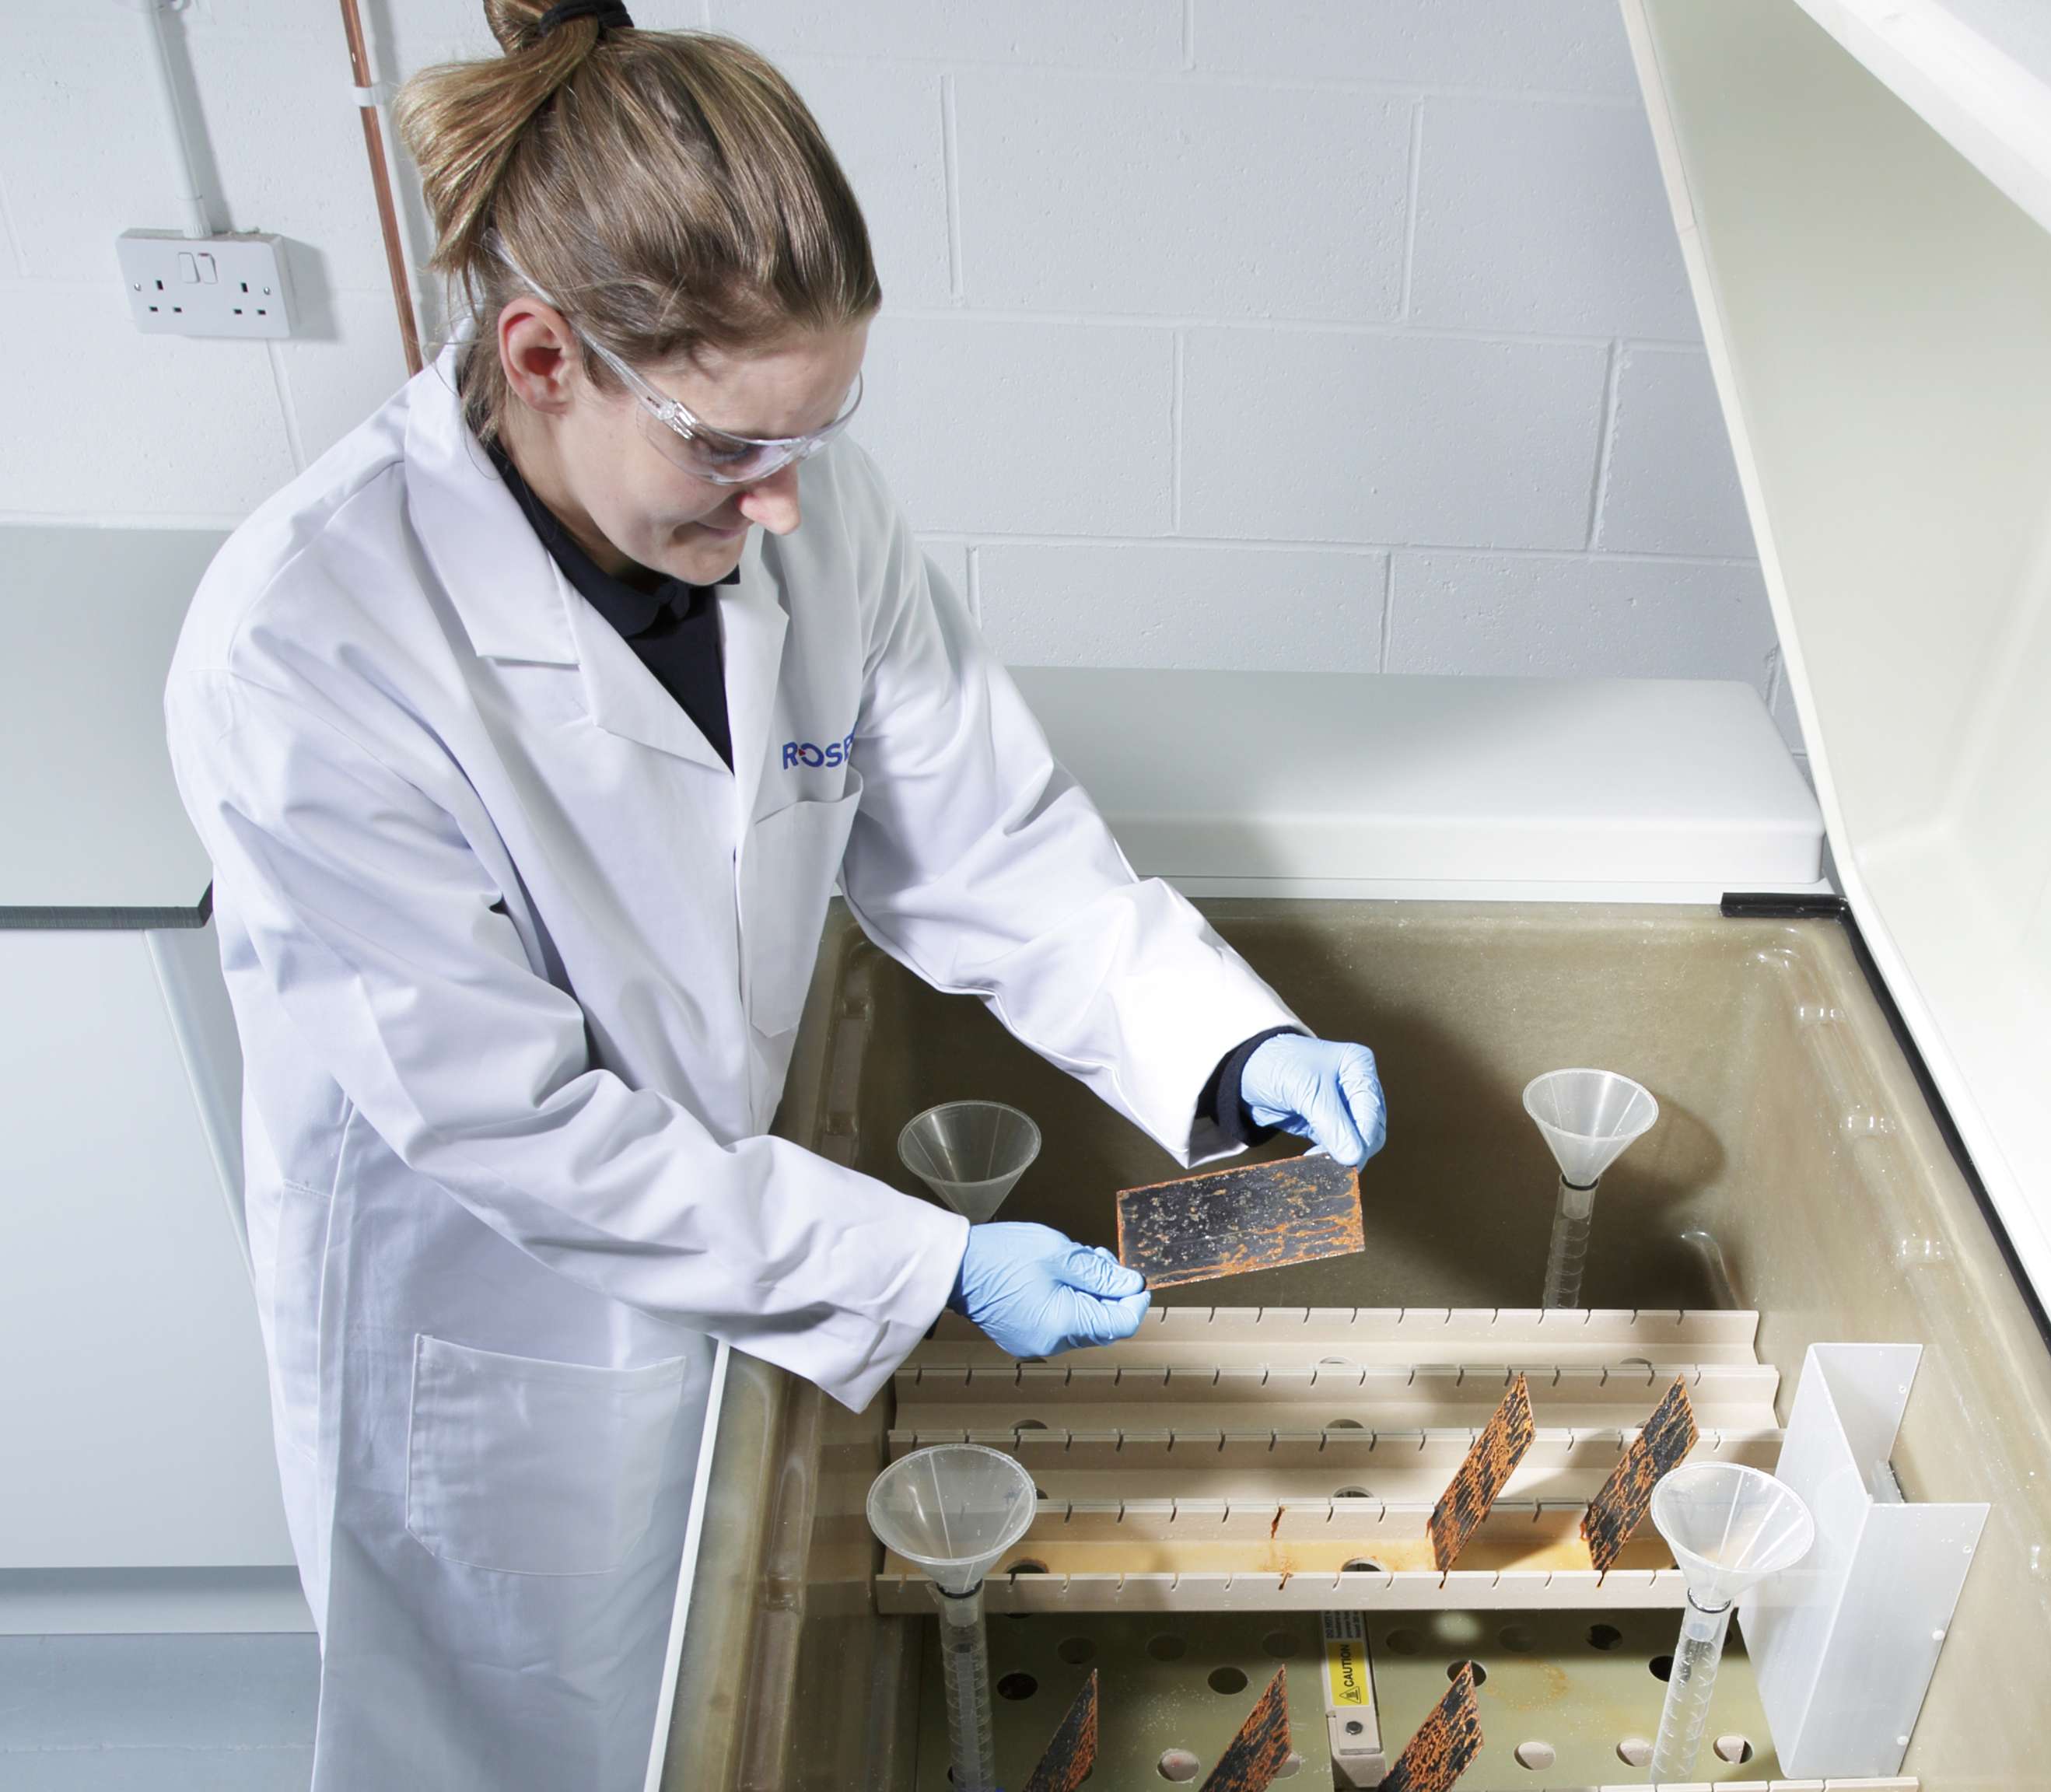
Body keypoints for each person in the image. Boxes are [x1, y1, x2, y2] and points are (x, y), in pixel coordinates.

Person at [162, 3, 1387, 1785]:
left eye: (814, 434)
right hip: (498, 1334)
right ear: (542, 355)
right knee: (532, 1741)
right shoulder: (307, 647)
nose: (788, 503)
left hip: (743, 1256)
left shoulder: (813, 523)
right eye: (729, 449)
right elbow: (509, 1127)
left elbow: (992, 847)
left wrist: (1227, 1047)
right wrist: (928, 1260)